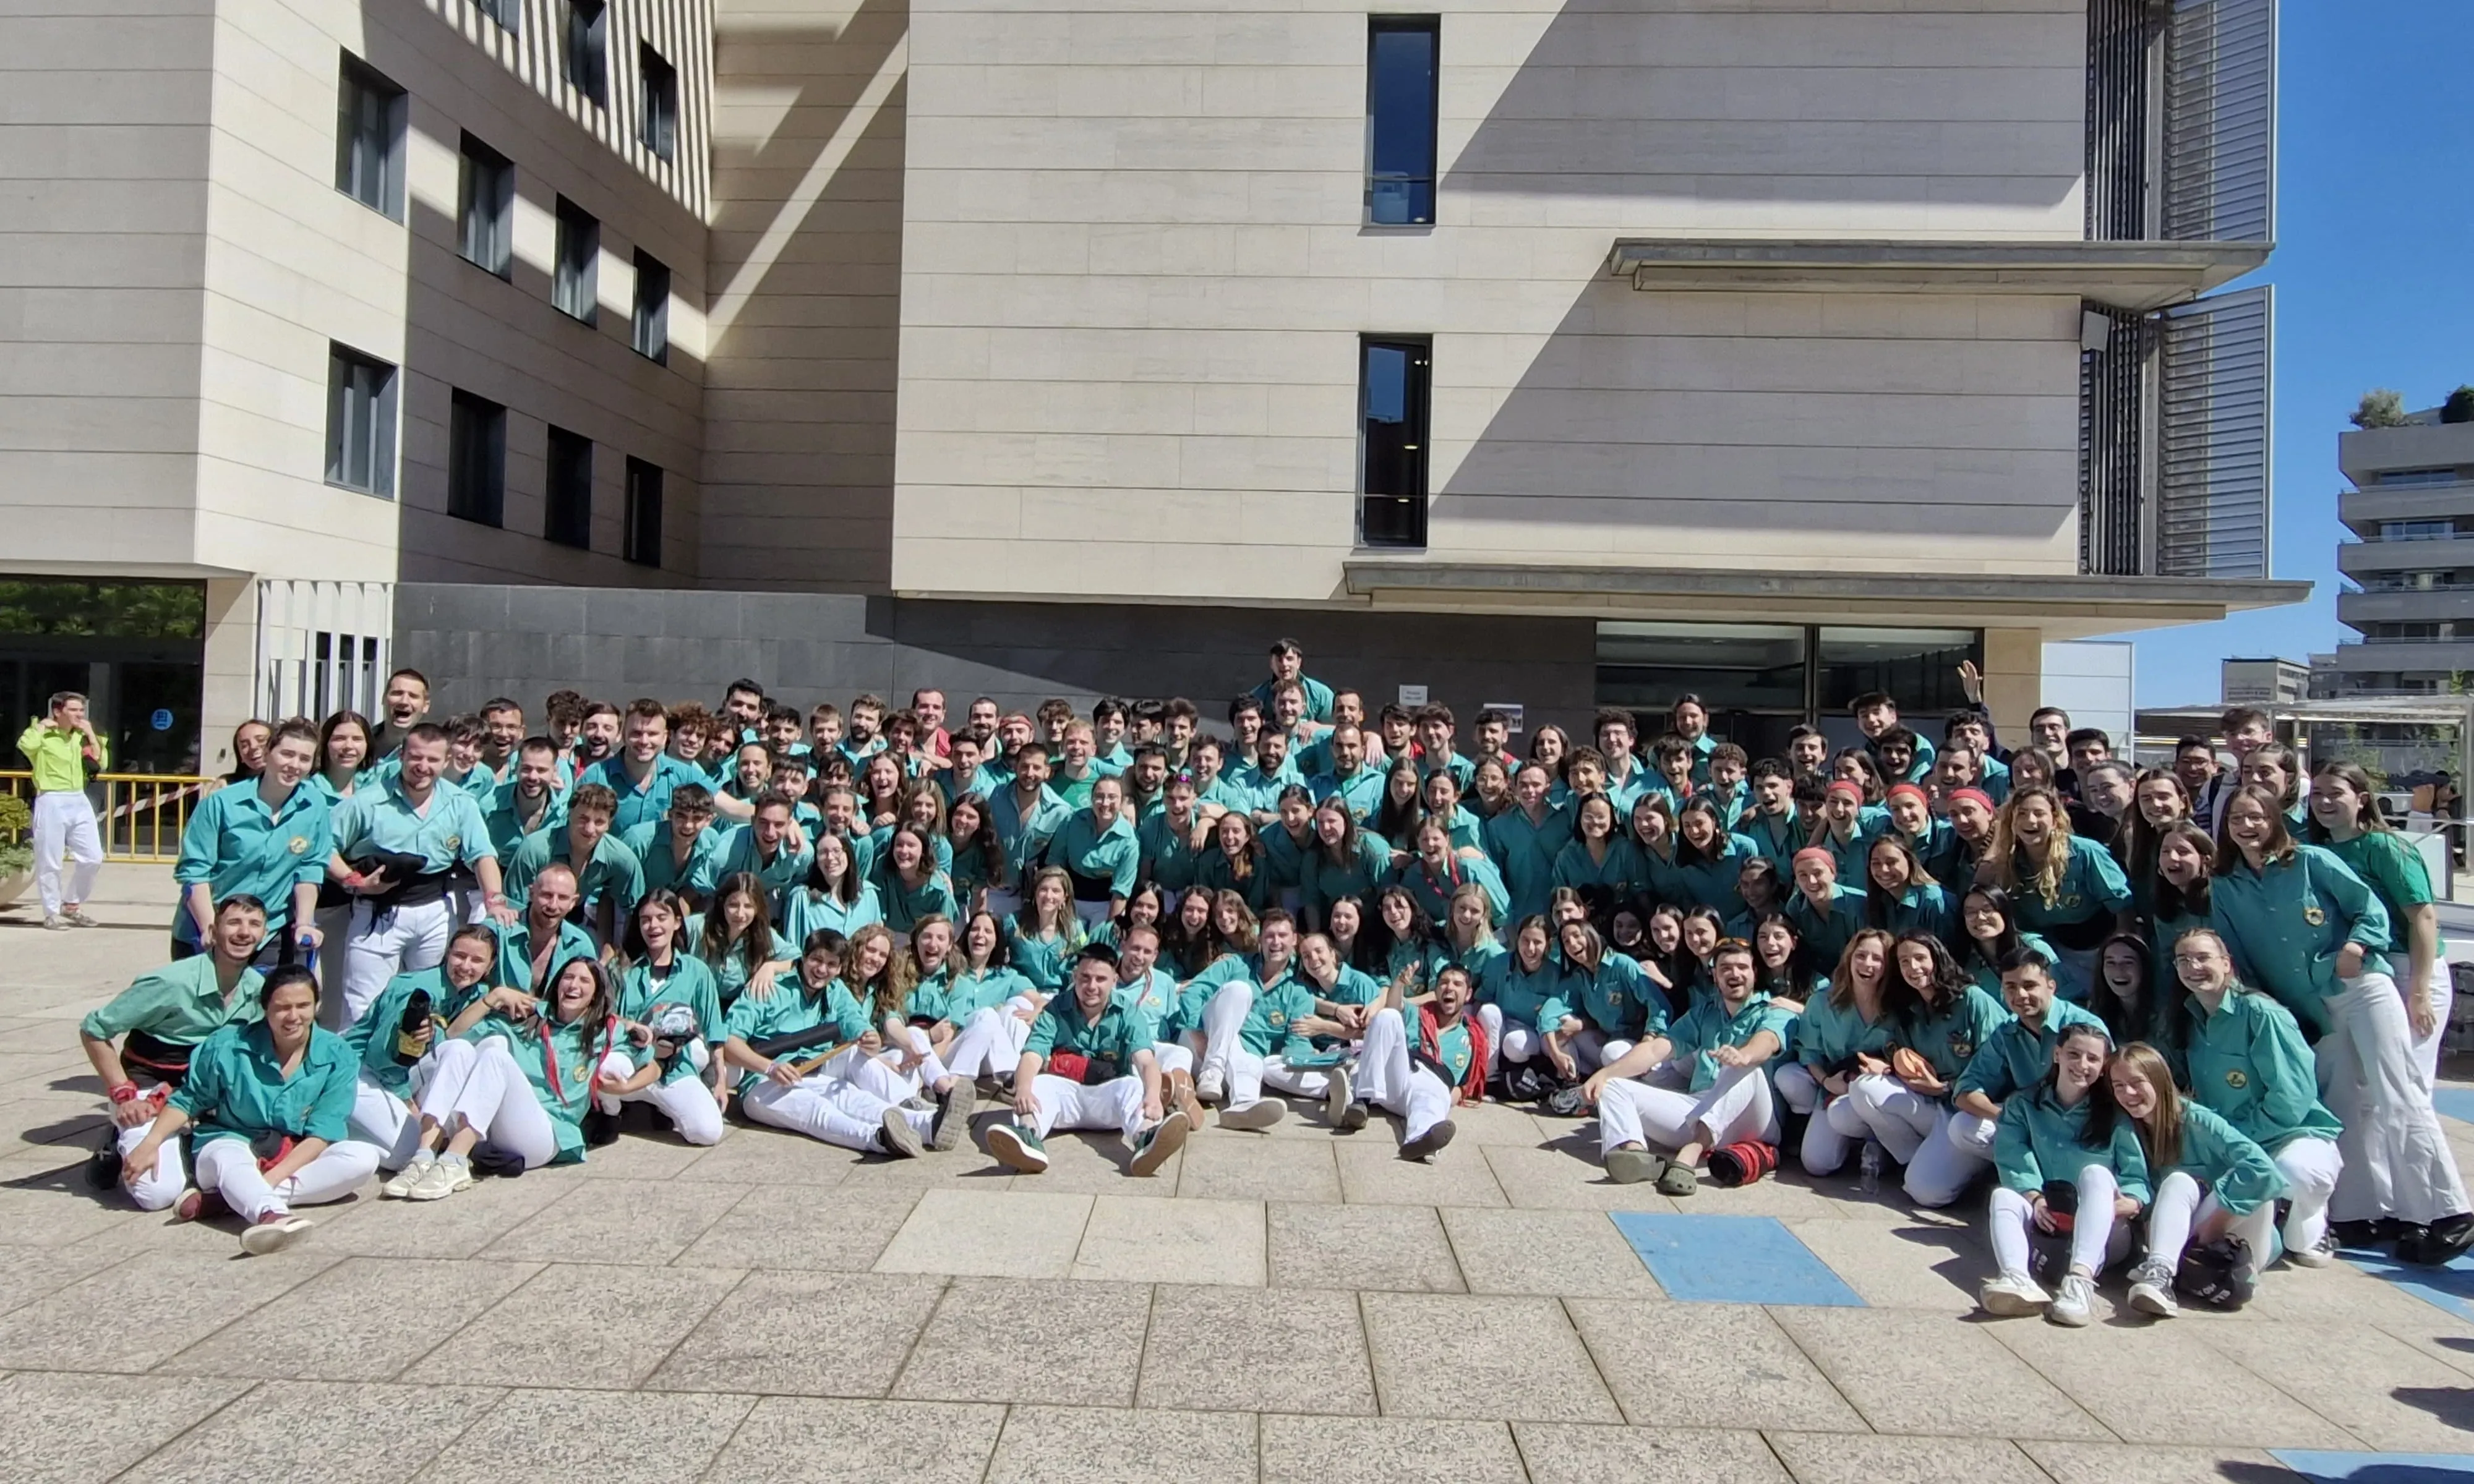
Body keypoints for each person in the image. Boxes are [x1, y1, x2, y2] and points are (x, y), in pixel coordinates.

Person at [2166, 929, 2345, 1268]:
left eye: (2203, 958)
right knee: (2194, 1236)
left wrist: (2241, 1142)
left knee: (2296, 1172)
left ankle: (2309, 1218)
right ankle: (2272, 1213)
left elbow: (2292, 1098)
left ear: (2226, 963)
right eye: (2183, 960)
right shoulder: (2187, 1018)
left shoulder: (2262, 1014)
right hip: (2231, 1144)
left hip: (2288, 1137)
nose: (2193, 967)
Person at [79, 895, 272, 1205]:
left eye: (254, 924)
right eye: (234, 923)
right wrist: (123, 1094)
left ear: (264, 933)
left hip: (204, 1095)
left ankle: (186, 1143)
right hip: (149, 1092)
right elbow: (94, 1030)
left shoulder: (259, 990)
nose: (244, 932)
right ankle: (117, 1138)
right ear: (213, 930)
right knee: (156, 1195)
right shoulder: (170, 983)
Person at [325, 723, 514, 1030]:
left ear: (446, 761)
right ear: (402, 755)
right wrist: (353, 881)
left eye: (432, 760)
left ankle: (423, 1059)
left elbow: (482, 855)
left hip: (435, 910)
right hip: (377, 909)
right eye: (416, 757)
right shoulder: (368, 801)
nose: (423, 767)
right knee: (362, 1005)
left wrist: (495, 900)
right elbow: (324, 848)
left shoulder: (460, 803)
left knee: (431, 1001)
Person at [1586, 939, 1791, 1195]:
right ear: (1715, 976)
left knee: (1743, 1067)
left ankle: (1690, 1156)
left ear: (1754, 973)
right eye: (1726, 968)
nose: (1735, 974)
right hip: (1701, 1108)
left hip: (1752, 1118)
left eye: (1742, 967)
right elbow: (1656, 1049)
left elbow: (1768, 1041)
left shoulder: (1773, 1009)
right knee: (1612, 1086)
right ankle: (1635, 1155)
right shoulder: (1705, 1013)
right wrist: (1604, 1074)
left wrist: (1744, 1055)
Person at [1978, 1021, 2147, 1326]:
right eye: (2074, 1054)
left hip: (2105, 1232)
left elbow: (2137, 1177)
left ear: (2103, 1067)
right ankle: (2017, 1279)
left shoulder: (2115, 1116)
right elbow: (2012, 1156)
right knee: (2003, 1196)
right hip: (2051, 1225)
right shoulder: (2023, 1105)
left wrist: (2130, 1203)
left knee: (2095, 1174)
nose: (2083, 1065)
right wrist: (2036, 1198)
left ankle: (2080, 1285)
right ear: (2057, 1055)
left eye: (2093, 1059)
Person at [2109, 1041, 2284, 1318]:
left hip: (2232, 1240)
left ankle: (2161, 1271)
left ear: (2158, 1080)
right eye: (2118, 1086)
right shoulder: (2127, 1130)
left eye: (2137, 1082)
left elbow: (2264, 1170)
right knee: (2177, 1183)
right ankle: (2161, 1275)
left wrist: (2216, 1224)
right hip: (2181, 1242)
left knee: (2192, 1181)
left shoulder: (2198, 1120)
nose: (2128, 1093)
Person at [985, 945, 1192, 1175]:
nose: (1091, 986)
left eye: (1100, 979)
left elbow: (1145, 1061)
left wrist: (1153, 1096)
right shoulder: (1054, 1010)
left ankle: (1146, 1139)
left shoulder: (1128, 1013)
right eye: (1085, 978)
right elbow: (1033, 1054)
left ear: (1114, 980)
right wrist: (1023, 1089)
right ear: (1075, 977)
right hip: (1065, 1097)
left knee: (1135, 1086)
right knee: (1035, 1085)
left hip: (1109, 1097)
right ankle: (1028, 1138)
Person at [171, 717, 329, 963]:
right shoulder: (221, 803)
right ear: (268, 753)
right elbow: (195, 872)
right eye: (287, 754)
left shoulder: (314, 805)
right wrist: (211, 928)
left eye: (304, 759)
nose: (294, 765)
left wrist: (304, 923)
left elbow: (310, 868)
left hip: (271, 930)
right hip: (209, 926)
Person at [349, 923, 501, 1179]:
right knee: (407, 1152)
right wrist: (408, 1103)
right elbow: (380, 1056)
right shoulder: (417, 991)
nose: (466, 966)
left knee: (480, 1047)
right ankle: (338, 1131)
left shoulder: (477, 993)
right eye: (459, 956)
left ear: (490, 966)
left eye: (477, 960)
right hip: (362, 1072)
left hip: (408, 1073)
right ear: (448, 954)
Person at [599, 890, 728, 1145]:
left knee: (708, 1133)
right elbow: (602, 1016)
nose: (653, 926)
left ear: (677, 922)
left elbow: (715, 1030)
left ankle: (660, 1107)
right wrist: (629, 1025)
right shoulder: (621, 968)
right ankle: (611, 1114)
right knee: (605, 1068)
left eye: (662, 917)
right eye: (646, 919)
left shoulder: (696, 971)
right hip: (630, 1060)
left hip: (673, 1067)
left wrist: (721, 1082)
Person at [1987, 785, 2130, 1002]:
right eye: (2022, 814)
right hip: (2051, 951)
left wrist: (2117, 952)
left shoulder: (2085, 852)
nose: (2030, 821)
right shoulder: (2008, 863)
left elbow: (2123, 905)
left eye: (2039, 813)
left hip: (2099, 945)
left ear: (2054, 819)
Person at [1775, 929, 1898, 1177]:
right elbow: (1809, 1052)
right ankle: (1851, 1142)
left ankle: (1880, 1143)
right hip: (1836, 1085)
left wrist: (1888, 1069)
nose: (1867, 964)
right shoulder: (1823, 1001)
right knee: (1817, 1163)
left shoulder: (1900, 1007)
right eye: (1861, 956)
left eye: (1877, 959)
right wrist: (1826, 1081)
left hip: (1883, 1091)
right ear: (1849, 959)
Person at [1337, 962, 1483, 1161]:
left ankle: (1419, 1142)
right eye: (1443, 983)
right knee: (1388, 1015)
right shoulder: (1419, 1014)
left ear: (1468, 994)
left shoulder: (1471, 1037)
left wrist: (1444, 1102)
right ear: (1436, 990)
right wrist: (1398, 984)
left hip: (1434, 1081)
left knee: (1431, 1099)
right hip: (1402, 1072)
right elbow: (1394, 1006)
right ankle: (1362, 1100)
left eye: (1457, 984)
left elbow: (1463, 1086)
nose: (1449, 987)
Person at [19, 689, 106, 931]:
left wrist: (91, 734)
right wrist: (41, 728)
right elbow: (25, 746)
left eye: (82, 710)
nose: (80, 714)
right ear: (58, 712)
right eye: (73, 710)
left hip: (78, 798)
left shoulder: (81, 736)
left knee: (93, 857)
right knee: (50, 859)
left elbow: (101, 761)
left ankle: (72, 904)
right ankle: (51, 912)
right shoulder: (44, 734)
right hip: (52, 798)